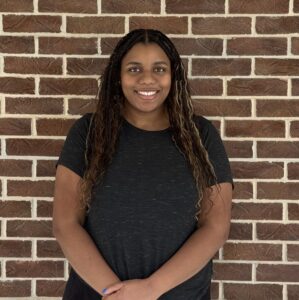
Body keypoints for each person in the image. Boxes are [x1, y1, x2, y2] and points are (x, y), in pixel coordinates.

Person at [53, 28, 234, 300]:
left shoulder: (201, 136)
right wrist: (113, 293)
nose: (147, 79)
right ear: (118, 76)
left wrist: (151, 289)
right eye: (134, 69)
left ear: (173, 76)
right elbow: (66, 223)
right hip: (97, 294)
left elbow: (216, 226)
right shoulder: (89, 132)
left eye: (159, 69)